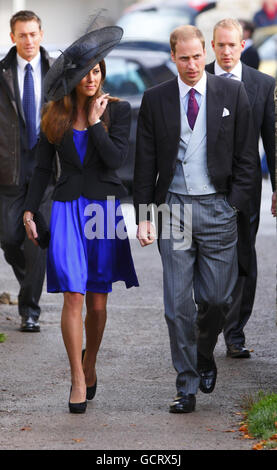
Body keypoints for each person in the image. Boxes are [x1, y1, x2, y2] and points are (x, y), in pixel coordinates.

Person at [133, 25, 256, 413]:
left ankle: (204, 352)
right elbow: (145, 163)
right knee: (177, 306)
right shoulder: (156, 99)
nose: (190, 64)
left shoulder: (231, 92)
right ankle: (185, 384)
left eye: (196, 56)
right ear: (173, 57)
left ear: (206, 53)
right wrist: (145, 216)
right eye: (183, 58)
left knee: (217, 299)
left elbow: (247, 159)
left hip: (218, 208)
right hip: (173, 209)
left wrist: (234, 205)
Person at [23, 21, 139, 413]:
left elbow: (116, 160)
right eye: (85, 72)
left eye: (97, 71)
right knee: (73, 294)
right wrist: (28, 208)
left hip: (103, 212)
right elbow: (42, 170)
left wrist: (93, 123)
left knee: (98, 303)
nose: (92, 78)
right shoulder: (54, 117)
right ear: (72, 78)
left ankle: (91, 362)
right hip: (67, 210)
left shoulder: (117, 111)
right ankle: (76, 377)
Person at [206, 18, 275, 358]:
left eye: (233, 45)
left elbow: (272, 142)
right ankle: (206, 325)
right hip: (202, 186)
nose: (227, 51)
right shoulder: (196, 75)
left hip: (247, 187)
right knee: (206, 256)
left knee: (243, 257)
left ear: (242, 46)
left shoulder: (263, 84)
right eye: (221, 45)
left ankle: (235, 333)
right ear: (213, 46)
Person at [0, 10, 54, 333]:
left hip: (46, 170)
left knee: (37, 241)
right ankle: (29, 287)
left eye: (33, 34)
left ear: (41, 34)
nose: (29, 40)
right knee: (9, 238)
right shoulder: (2, 73)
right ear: (13, 37)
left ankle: (29, 310)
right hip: (10, 169)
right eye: (22, 35)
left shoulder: (56, 71)